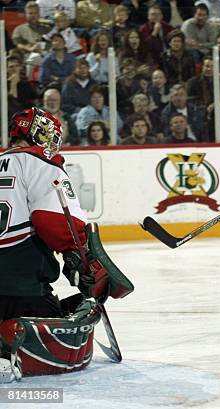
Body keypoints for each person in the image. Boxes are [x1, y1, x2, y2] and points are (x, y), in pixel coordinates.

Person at [0, 108, 130, 382]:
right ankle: (12, 343)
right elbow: (56, 222)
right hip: (22, 287)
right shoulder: (41, 162)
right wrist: (79, 259)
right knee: (67, 340)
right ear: (39, 132)